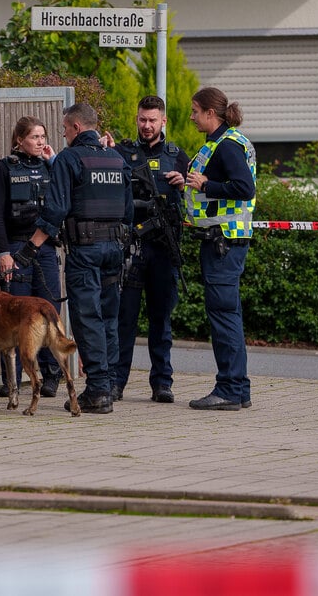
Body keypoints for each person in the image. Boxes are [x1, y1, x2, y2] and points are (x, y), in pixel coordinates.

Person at [13, 103, 133, 414]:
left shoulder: (70, 159)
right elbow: (129, 210)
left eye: (65, 129)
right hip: (115, 250)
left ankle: (97, 391)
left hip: (86, 251)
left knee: (87, 318)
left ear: (76, 128)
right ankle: (107, 385)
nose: (63, 134)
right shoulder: (117, 159)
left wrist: (31, 249)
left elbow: (55, 210)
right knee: (109, 317)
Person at [102, 96, 190, 404]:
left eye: (152, 120)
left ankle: (162, 383)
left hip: (163, 249)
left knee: (160, 319)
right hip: (130, 248)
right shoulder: (122, 152)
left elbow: (192, 204)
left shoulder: (177, 156)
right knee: (124, 319)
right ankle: (116, 383)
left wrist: (182, 185)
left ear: (163, 121)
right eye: (142, 119)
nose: (147, 125)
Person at [184, 87, 257, 411]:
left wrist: (205, 185)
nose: (192, 116)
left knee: (224, 317)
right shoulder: (224, 142)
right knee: (230, 315)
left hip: (223, 243)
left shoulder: (227, 145)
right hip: (225, 241)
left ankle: (228, 388)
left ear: (210, 113)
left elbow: (244, 188)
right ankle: (238, 388)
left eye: (195, 111)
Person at [0, 116, 63, 398]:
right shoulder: (3, 169)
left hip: (45, 249)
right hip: (17, 250)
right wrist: (3, 253)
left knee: (49, 312)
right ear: (20, 140)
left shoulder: (50, 166)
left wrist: (53, 161)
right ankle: (12, 380)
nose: (41, 142)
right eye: (35, 137)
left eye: (43, 136)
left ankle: (52, 377)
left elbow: (65, 197)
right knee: (16, 316)